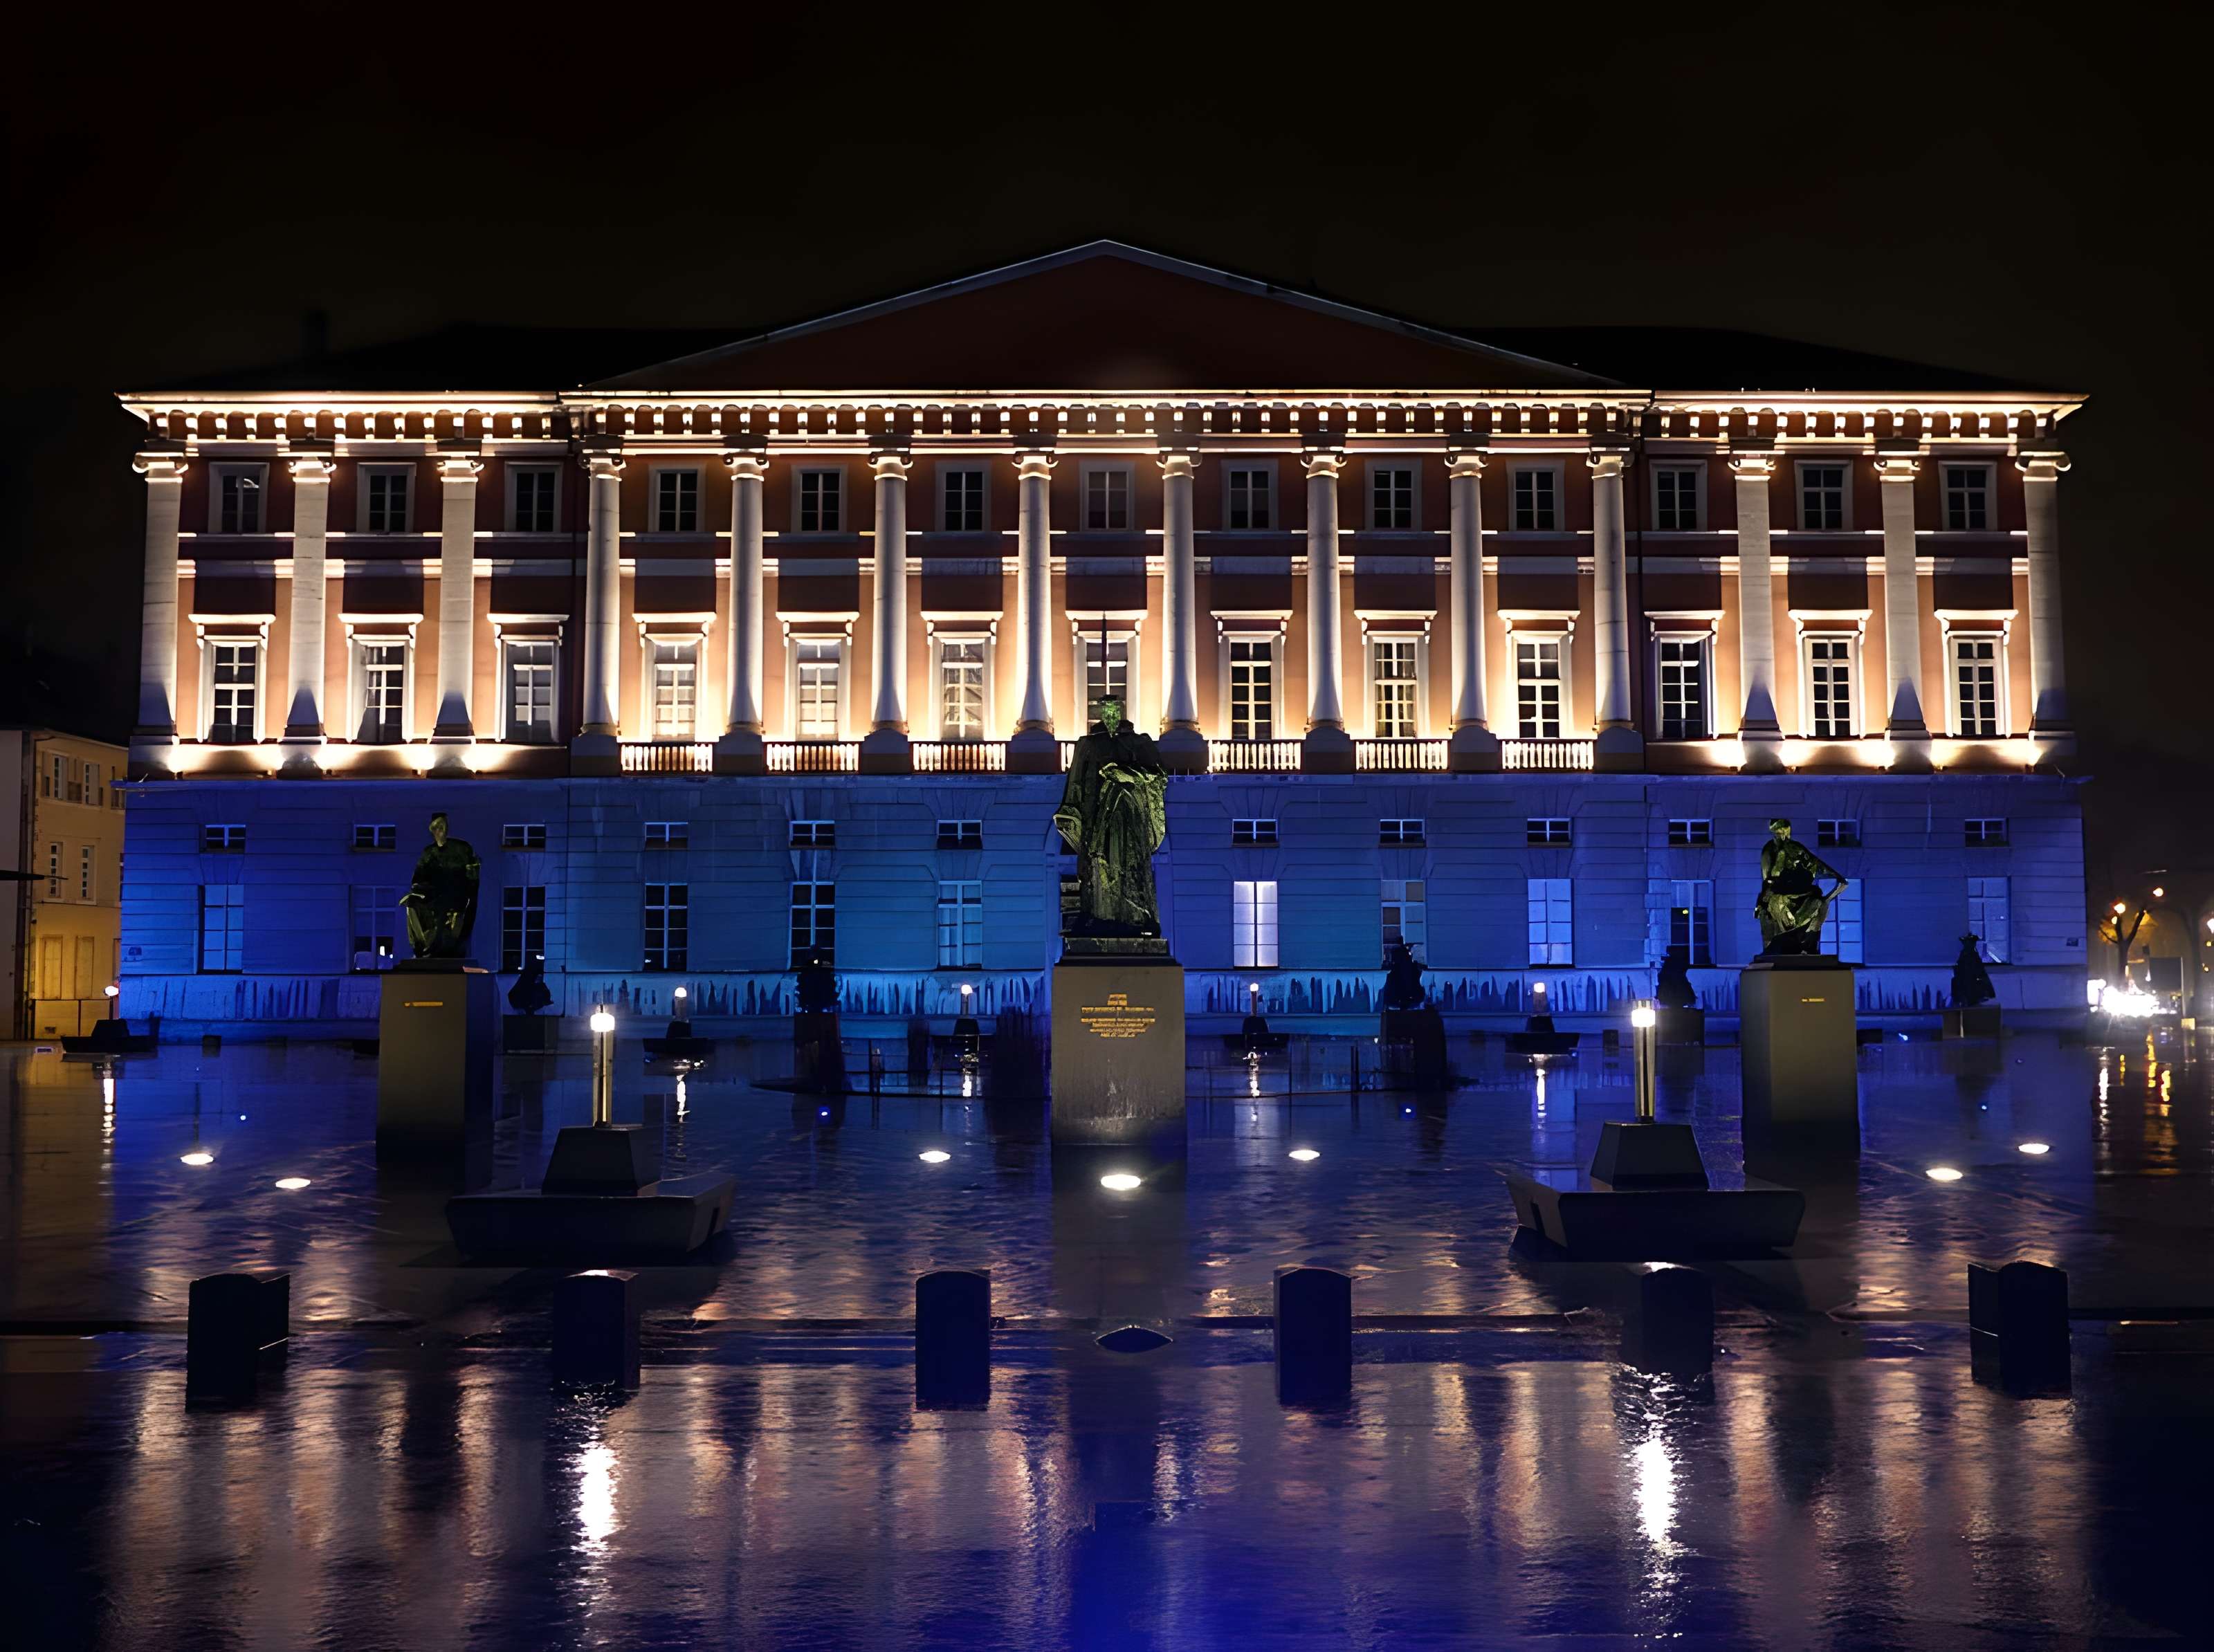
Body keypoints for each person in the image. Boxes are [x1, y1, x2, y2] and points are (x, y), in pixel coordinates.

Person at [1053, 696, 1168, 936]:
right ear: (1101, 715)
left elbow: (1158, 777)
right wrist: (1069, 813)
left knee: (1131, 865)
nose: (1111, 717)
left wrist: (1124, 774)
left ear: (1123, 712)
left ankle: (1138, 918)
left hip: (1129, 815)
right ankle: (1096, 915)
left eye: (1116, 711)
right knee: (1097, 865)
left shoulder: (1140, 743)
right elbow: (1075, 783)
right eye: (1107, 712)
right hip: (1097, 817)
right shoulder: (1087, 745)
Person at [1753, 818, 1847, 957]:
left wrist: (1836, 876)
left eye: (1783, 832)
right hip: (1779, 890)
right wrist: (1781, 857)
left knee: (1818, 902)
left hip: (1800, 890)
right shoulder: (1770, 849)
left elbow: (1814, 863)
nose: (1782, 836)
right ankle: (1786, 941)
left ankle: (1808, 945)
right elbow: (1769, 877)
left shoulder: (1796, 847)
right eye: (1778, 833)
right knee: (1778, 903)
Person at [400, 812, 480, 958]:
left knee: (443, 907)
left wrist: (470, 875)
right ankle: (421, 945)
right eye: (437, 827)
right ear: (433, 831)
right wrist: (420, 888)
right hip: (431, 894)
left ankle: (434, 945)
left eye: (443, 827)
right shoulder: (429, 853)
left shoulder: (461, 848)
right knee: (411, 904)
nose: (441, 831)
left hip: (455, 894)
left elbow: (472, 875)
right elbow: (417, 878)